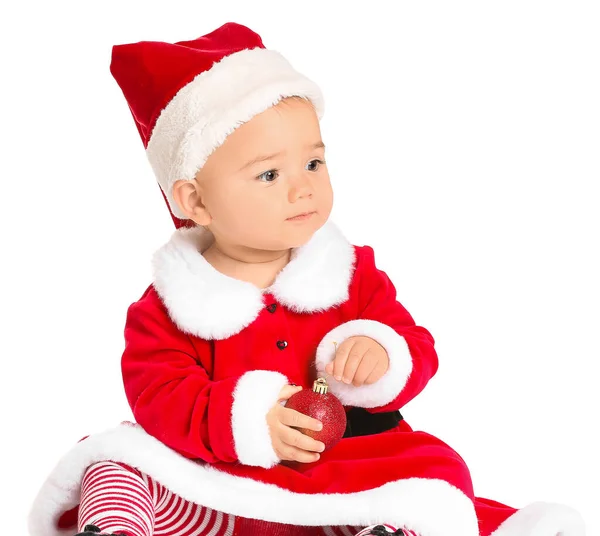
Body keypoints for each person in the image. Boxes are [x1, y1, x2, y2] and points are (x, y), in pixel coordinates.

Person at [28, 22, 585, 536]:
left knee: (433, 474)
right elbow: (160, 395)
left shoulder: (351, 274)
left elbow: (416, 345)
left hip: (347, 477)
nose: (303, 189)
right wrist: (246, 422)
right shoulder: (166, 306)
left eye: (313, 164)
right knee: (115, 462)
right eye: (270, 174)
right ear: (194, 201)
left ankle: (387, 532)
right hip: (222, 489)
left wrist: (381, 354)